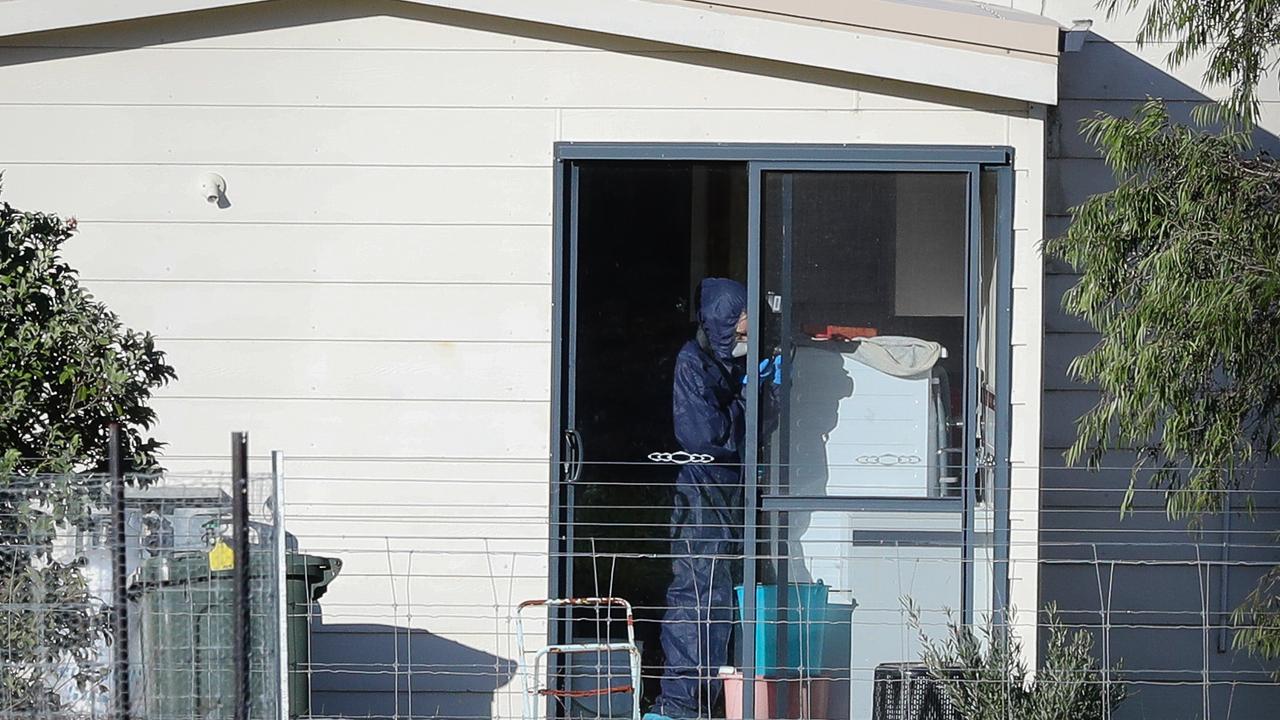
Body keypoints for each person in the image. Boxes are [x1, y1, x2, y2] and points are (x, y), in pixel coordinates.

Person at [646, 278, 777, 720]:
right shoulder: (692, 363)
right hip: (701, 493)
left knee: (721, 599)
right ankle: (677, 706)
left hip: (727, 492)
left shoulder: (724, 365)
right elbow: (706, 436)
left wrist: (764, 392)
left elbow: (756, 431)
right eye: (741, 330)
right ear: (721, 326)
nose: (746, 337)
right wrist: (747, 394)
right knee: (696, 595)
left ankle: (704, 703)